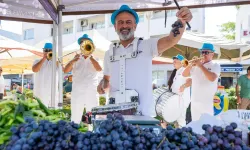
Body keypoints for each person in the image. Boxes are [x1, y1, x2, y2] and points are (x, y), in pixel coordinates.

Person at [97, 5, 193, 117]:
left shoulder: (147, 46)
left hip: (143, 115)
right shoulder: (109, 53)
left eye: (128, 22)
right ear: (115, 26)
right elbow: (106, 80)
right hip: (115, 115)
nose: (124, 25)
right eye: (120, 22)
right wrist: (102, 85)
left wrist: (182, 20)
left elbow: (171, 39)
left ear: (135, 26)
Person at [64, 34, 102, 124]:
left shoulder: (95, 58)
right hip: (77, 91)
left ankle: (93, 133)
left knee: (93, 115)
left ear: (91, 45)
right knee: (75, 115)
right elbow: (65, 70)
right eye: (82, 42)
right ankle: (74, 133)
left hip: (91, 91)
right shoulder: (75, 58)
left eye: (86, 42)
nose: (84, 44)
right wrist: (73, 61)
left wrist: (90, 57)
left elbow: (99, 69)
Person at [182, 43, 221, 121]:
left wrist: (200, 66)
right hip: (195, 102)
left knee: (208, 125)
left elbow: (212, 78)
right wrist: (190, 65)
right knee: (196, 126)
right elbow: (184, 74)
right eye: (202, 52)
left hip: (207, 102)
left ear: (212, 54)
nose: (203, 54)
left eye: (206, 52)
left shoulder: (215, 65)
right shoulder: (196, 65)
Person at [32, 43, 59, 108]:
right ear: (43, 51)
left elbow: (63, 70)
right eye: (46, 50)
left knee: (52, 112)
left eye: (50, 50)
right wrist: (44, 58)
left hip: (52, 93)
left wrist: (54, 58)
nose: (48, 52)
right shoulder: (37, 61)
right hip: (40, 92)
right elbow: (35, 70)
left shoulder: (56, 62)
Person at [168, 54, 191, 126]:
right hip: (176, 100)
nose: (173, 63)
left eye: (175, 62)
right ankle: (179, 133)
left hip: (182, 100)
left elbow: (190, 81)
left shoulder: (184, 70)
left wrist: (183, 86)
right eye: (173, 62)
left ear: (181, 62)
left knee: (180, 119)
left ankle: (183, 134)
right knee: (177, 120)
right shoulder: (177, 71)